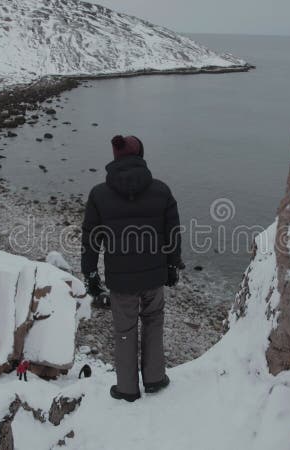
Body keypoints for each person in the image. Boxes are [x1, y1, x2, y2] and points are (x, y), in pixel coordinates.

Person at [81, 135, 183, 402]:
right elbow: (172, 234)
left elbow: (91, 240)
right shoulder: (161, 191)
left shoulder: (99, 195)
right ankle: (154, 379)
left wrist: (91, 275)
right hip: (153, 275)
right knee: (153, 323)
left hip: (120, 280)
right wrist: (172, 266)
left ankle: (127, 388)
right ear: (140, 157)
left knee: (124, 331)